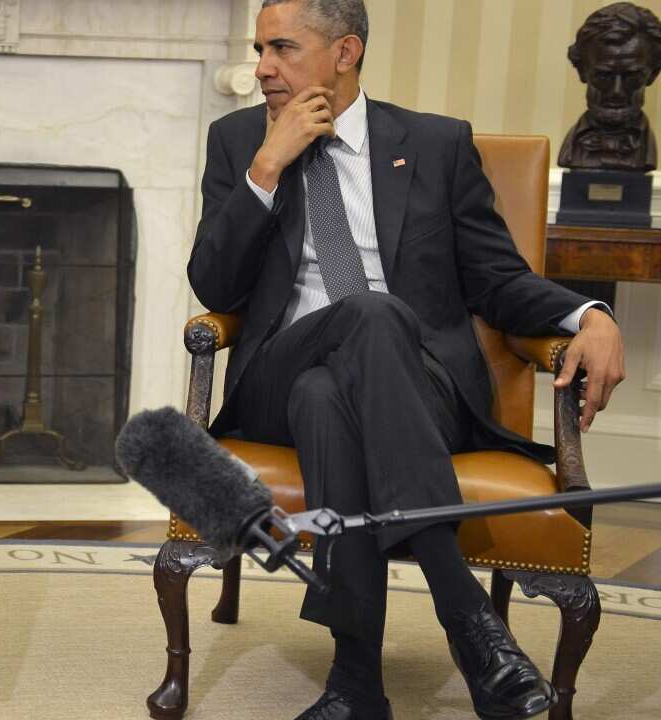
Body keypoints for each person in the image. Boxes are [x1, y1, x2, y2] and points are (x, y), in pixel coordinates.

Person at [188, 1, 626, 719]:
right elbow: (214, 284)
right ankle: (464, 613)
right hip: (276, 374)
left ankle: (355, 685)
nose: (261, 67)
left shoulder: (433, 144)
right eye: (258, 48)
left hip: (412, 388)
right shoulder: (239, 141)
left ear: (345, 52)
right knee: (366, 315)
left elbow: (496, 279)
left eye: (282, 48)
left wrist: (590, 313)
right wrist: (268, 166)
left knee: (333, 392)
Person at [559, 2, 661, 171]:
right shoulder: (571, 148)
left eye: (632, 77)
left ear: (653, 74)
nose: (617, 91)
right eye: (603, 76)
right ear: (582, 71)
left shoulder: (646, 148)